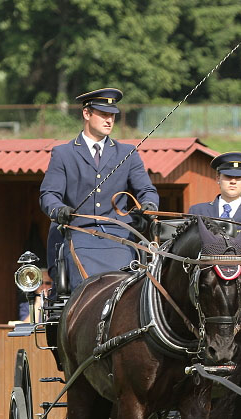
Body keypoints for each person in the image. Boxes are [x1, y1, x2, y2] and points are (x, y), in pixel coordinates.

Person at [39, 87, 159, 292]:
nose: (109, 120)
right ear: (87, 113)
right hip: (78, 232)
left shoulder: (127, 152)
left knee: (127, 287)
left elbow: (147, 190)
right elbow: (49, 195)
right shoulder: (63, 153)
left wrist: (148, 206)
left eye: (112, 116)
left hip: (118, 236)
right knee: (87, 284)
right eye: (103, 114)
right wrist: (59, 210)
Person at [187, 151, 241, 261]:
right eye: (228, 176)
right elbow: (187, 251)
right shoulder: (197, 211)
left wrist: (235, 274)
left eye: (238, 177)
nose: (233, 181)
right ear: (218, 178)